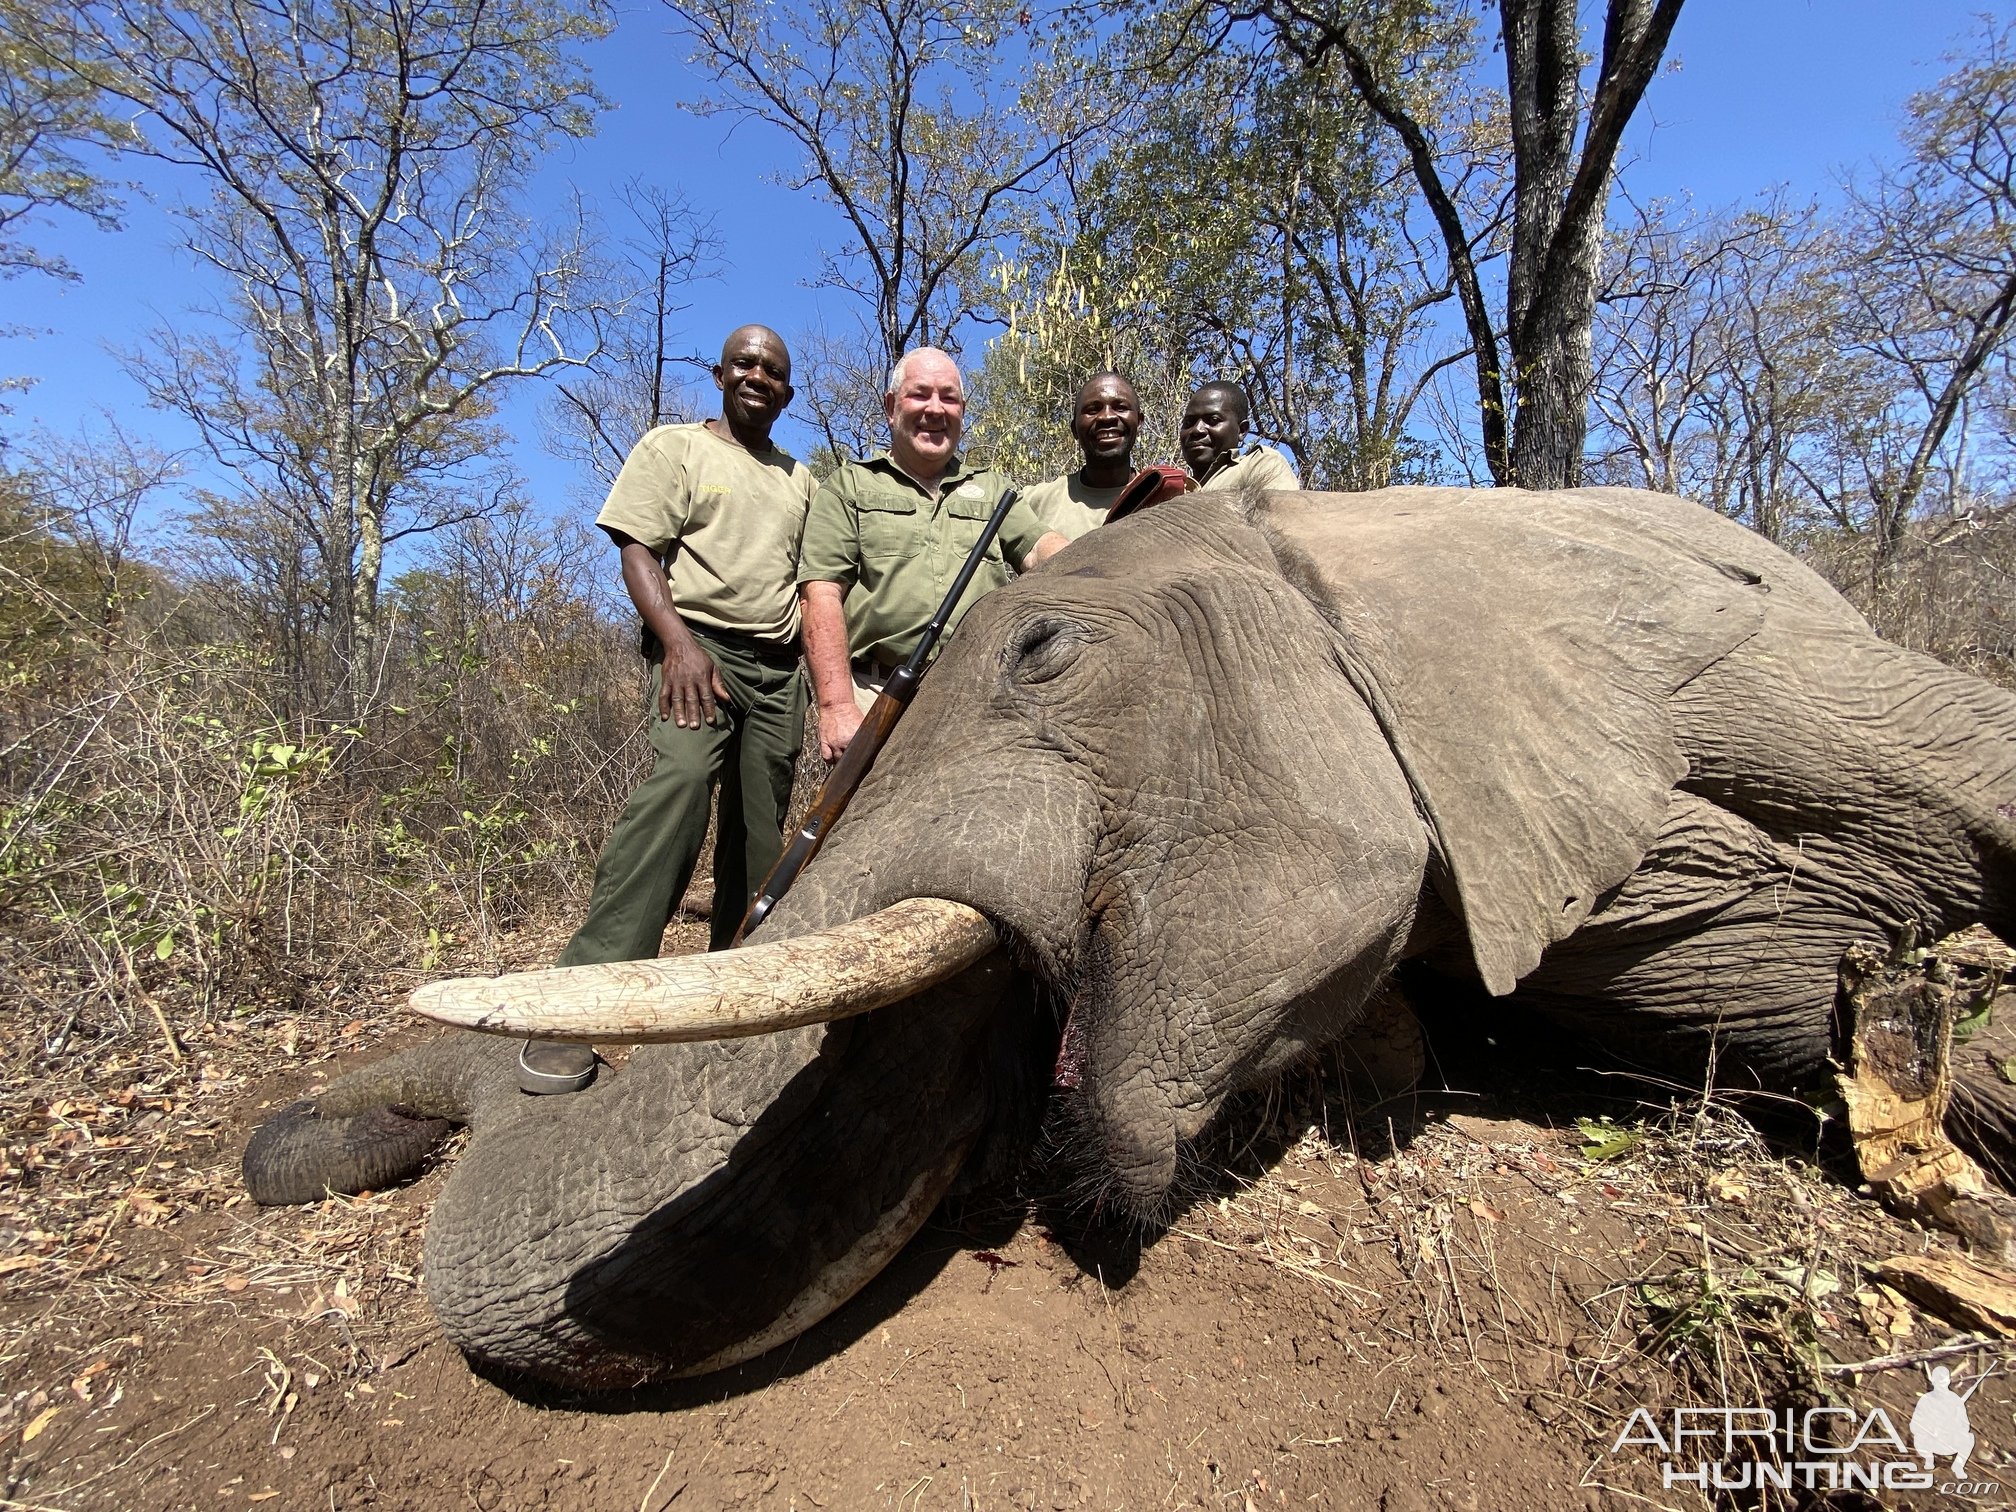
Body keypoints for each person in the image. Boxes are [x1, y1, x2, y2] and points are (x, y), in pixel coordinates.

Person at [522, 325, 818, 1095]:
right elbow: (636, 550)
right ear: (720, 373)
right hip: (697, 650)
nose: (758, 375)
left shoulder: (802, 479)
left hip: (778, 669)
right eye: (746, 363)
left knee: (761, 835)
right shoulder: (674, 448)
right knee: (680, 788)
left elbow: (821, 584)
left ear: (787, 392)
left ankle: (734, 1003)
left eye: (774, 370)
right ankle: (582, 1005)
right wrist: (679, 648)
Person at [798, 346, 1068, 762]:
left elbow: (1040, 550)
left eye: (949, 397)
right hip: (877, 699)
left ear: (963, 411)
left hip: (983, 700)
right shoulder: (848, 487)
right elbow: (821, 595)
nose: (935, 409)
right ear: (891, 407)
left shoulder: (994, 489)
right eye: (920, 394)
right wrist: (836, 707)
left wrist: (1103, 559)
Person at [1021, 371, 1143, 541]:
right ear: (1074, 429)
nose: (1106, 417)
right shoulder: (1031, 503)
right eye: (1092, 410)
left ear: (1139, 422)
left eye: (1120, 407)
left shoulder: (1168, 499)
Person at [1179, 380, 1300, 493]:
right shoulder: (1172, 490)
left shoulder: (1260, 465)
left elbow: (1278, 512)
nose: (1196, 429)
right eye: (1189, 423)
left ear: (1242, 430)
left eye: (1213, 420)